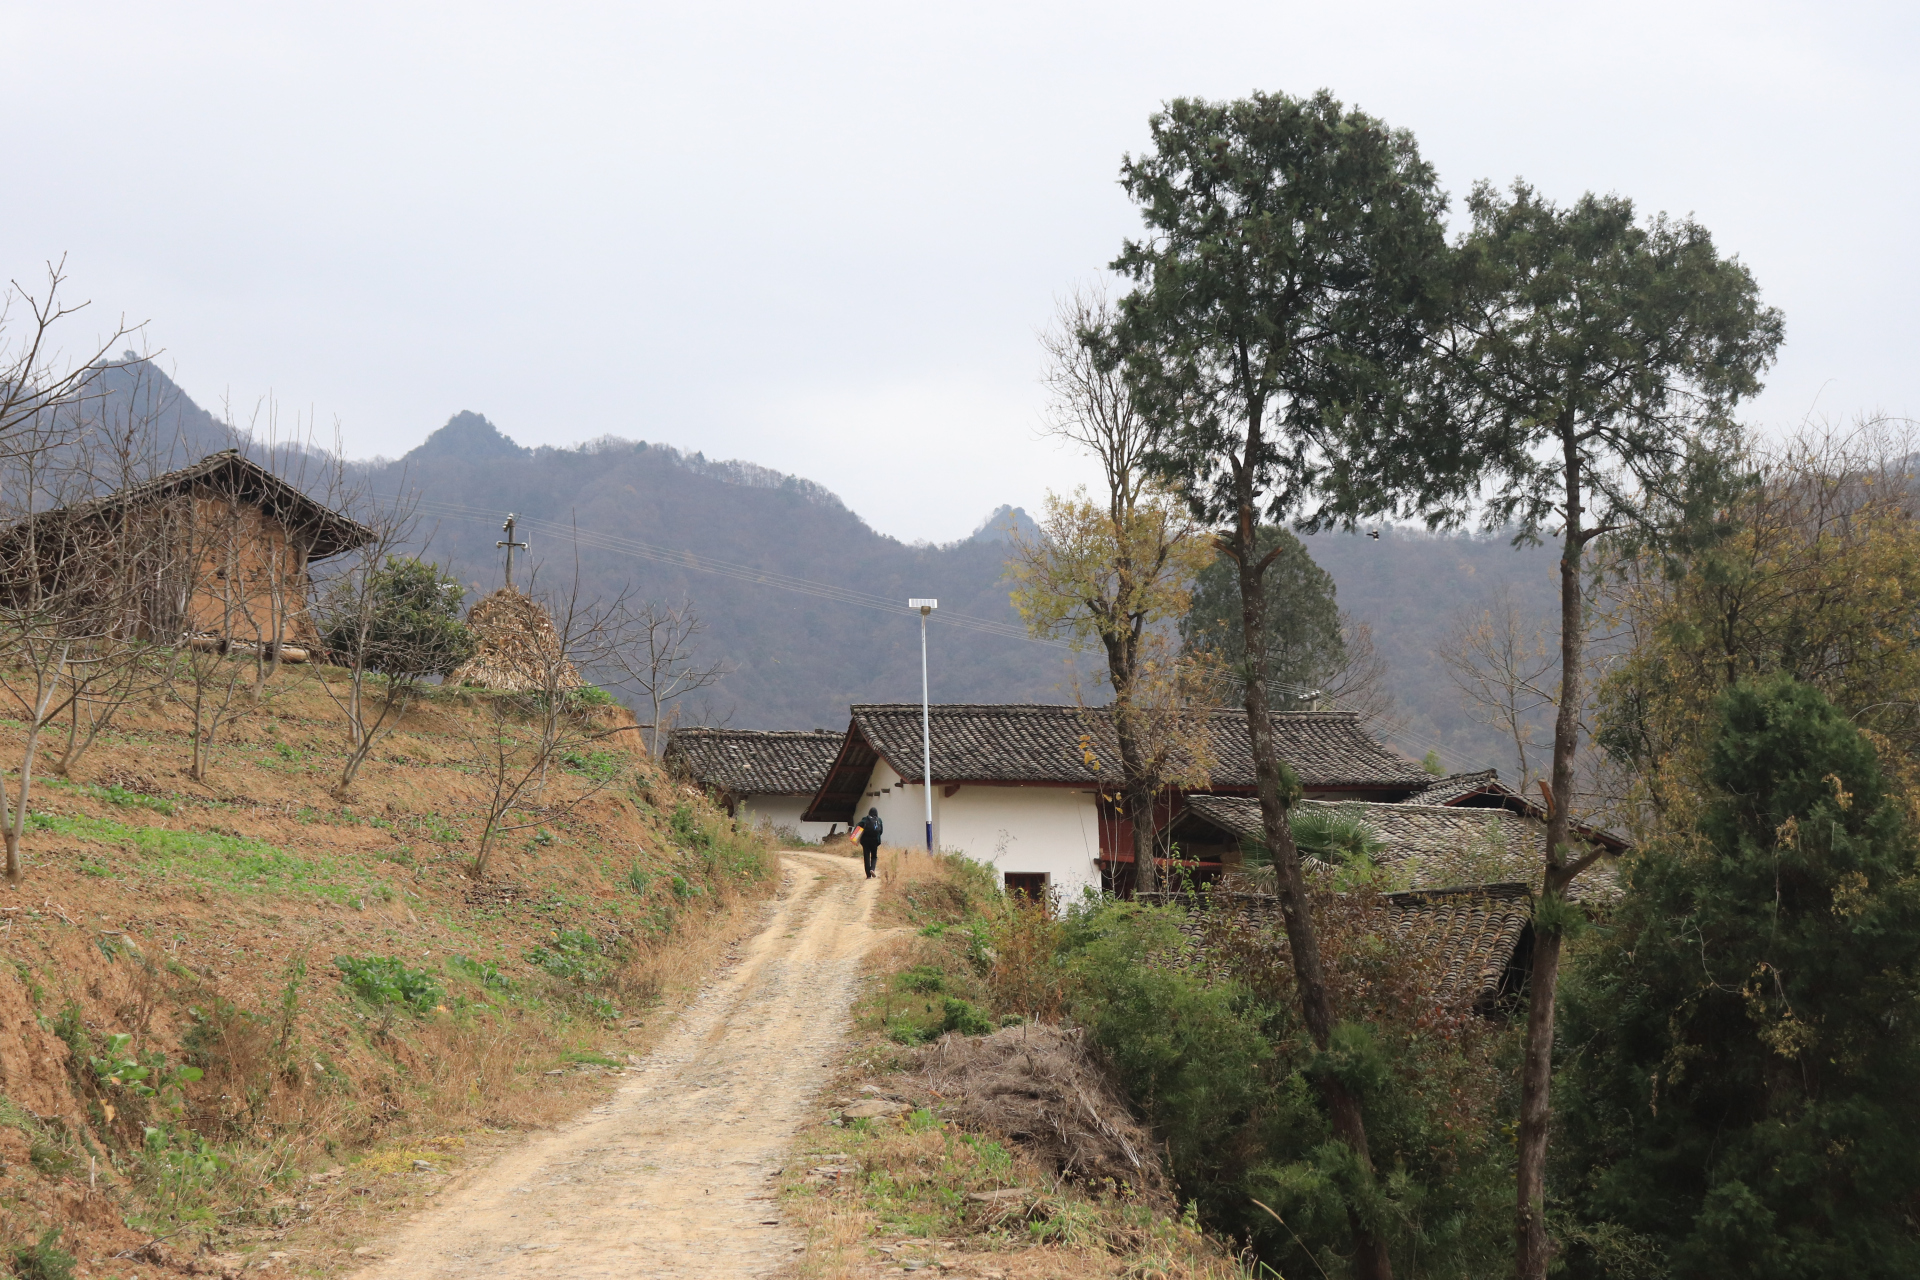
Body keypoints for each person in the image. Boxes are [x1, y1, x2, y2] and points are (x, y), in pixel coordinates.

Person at [855, 807, 883, 879]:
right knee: (874, 856)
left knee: (866, 857)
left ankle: (868, 875)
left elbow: (857, 826)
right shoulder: (879, 820)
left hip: (865, 841)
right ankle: (872, 869)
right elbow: (881, 831)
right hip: (875, 841)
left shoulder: (865, 819)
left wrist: (856, 837)